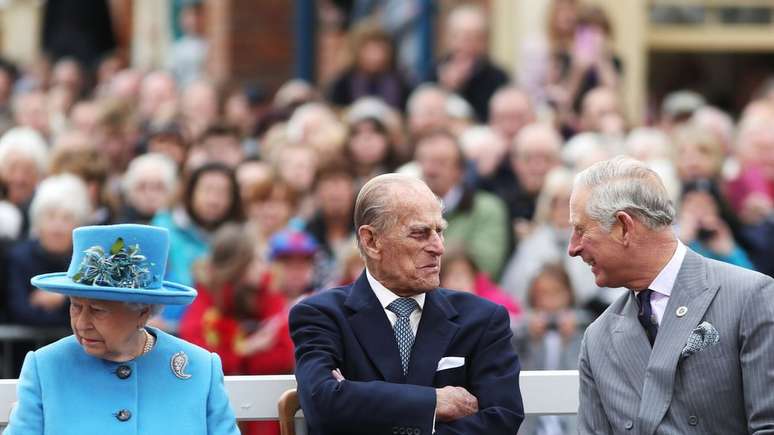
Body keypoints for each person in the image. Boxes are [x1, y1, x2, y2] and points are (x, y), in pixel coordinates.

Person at [289, 173, 524, 435]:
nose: (438, 247)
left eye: (439, 231)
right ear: (371, 241)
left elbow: (501, 420)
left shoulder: (483, 319)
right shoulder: (321, 315)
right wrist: (434, 402)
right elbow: (322, 404)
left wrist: (354, 397)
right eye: (420, 233)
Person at [569, 156, 774, 434]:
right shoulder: (598, 339)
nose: (573, 247)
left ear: (624, 227)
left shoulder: (749, 296)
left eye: (581, 229)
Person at [5, 223, 239, 434]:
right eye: (75, 307)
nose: (82, 323)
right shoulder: (46, 367)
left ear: (143, 312)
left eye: (97, 310)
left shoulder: (199, 369)